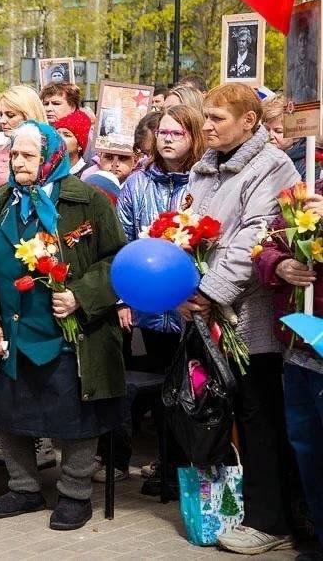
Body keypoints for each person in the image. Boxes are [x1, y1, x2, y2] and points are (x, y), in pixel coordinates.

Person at [0, 120, 126, 531]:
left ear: (51, 158)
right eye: (14, 154)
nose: (17, 161)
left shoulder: (88, 200)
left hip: (68, 334)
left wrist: (80, 296)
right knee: (11, 411)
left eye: (27, 155)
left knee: (74, 414)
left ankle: (75, 493)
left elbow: (116, 261)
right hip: (11, 331)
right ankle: (23, 488)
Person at [180, 83, 299, 554]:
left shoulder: (273, 166)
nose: (205, 126)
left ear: (249, 122)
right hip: (205, 311)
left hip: (251, 317)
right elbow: (185, 229)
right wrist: (183, 287)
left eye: (217, 119)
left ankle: (271, 519)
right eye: (204, 118)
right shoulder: (202, 169)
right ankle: (234, 507)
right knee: (218, 411)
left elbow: (254, 239)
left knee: (258, 415)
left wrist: (208, 291)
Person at [109, 104, 206, 492]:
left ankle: (187, 468)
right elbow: (122, 240)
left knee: (193, 390)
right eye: (162, 133)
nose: (167, 139)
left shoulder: (202, 181)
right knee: (163, 391)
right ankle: (167, 465)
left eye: (176, 133)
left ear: (192, 136)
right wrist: (123, 299)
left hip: (194, 307)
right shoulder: (137, 183)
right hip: (150, 310)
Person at [254, 186, 323, 561]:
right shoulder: (309, 187)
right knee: (309, 454)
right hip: (301, 349)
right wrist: (278, 264)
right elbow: (267, 241)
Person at [0, 85, 47, 191]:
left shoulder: (49, 152)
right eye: (0, 115)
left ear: (29, 115)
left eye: (10, 115)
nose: (2, 120)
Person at [262, 94, 306, 178]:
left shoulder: (309, 163)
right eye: (266, 129)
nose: (270, 136)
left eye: (278, 131)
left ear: (297, 135)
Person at [53, 110, 92, 177]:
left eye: (67, 135)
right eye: (57, 134)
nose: (60, 139)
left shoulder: (88, 175)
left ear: (79, 145)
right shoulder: (48, 171)